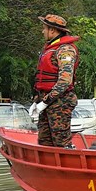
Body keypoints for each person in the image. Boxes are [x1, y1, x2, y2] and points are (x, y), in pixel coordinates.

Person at [32, 14, 80, 148]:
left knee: (61, 142)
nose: (42, 31)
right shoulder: (49, 48)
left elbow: (65, 81)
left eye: (44, 28)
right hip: (46, 100)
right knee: (44, 140)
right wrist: (37, 100)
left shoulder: (65, 49)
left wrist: (46, 101)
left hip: (60, 101)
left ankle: (68, 167)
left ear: (52, 30)